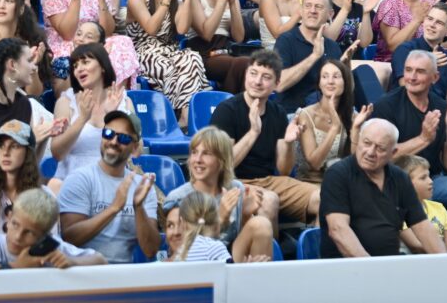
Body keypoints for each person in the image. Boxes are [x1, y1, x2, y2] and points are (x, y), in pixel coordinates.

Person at [373, 48, 447, 223]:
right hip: (395, 181)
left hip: (432, 179)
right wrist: (423, 139)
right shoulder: (386, 105)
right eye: (408, 70)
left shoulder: (441, 106)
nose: (412, 77)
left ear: (435, 77)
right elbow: (381, 157)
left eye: (420, 71)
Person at [209, 49, 320, 223]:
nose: (257, 81)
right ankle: (268, 243)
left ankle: (315, 241)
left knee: (324, 198)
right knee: (269, 200)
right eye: (253, 73)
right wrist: (253, 132)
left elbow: (284, 170)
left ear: (277, 84)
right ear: (246, 74)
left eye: (266, 77)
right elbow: (223, 166)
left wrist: (289, 143)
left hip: (269, 181)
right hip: (233, 182)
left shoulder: (278, 113)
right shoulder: (226, 110)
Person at [320, 118, 444, 257]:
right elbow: (338, 229)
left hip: (390, 262)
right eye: (367, 143)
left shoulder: (400, 178)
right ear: (358, 140)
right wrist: (371, 266)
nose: (370, 152)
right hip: (347, 265)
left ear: (393, 152)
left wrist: (445, 261)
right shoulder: (338, 174)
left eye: (380, 148)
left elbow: (422, 226)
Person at [58, 110, 160, 264]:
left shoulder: (142, 187)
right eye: (108, 133)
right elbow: (69, 238)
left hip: (124, 274)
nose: (113, 141)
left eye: (124, 138)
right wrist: (114, 208)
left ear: (134, 148)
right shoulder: (79, 178)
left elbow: (151, 250)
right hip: (83, 271)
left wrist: (139, 207)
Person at [165, 126, 274, 261]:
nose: (197, 159)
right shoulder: (177, 198)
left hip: (231, 260)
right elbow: (179, 250)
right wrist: (220, 219)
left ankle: (257, 273)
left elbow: (239, 240)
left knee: (261, 224)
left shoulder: (235, 189)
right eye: (194, 152)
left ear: (221, 160)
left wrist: (245, 216)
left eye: (206, 153)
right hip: (196, 263)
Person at [0, 36, 58, 184]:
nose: (34, 67)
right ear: (12, 65)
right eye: (29, 61)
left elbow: (29, 162)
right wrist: (26, 142)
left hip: (18, 183)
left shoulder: (24, 103)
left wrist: (44, 137)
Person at [126, 0, 207, 125]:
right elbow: (151, 29)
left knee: (192, 57)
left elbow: (182, 29)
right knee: (174, 68)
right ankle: (178, 117)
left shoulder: (177, 3)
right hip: (143, 53)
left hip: (169, 51)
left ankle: (184, 116)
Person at [49, 43, 136, 185]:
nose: (79, 69)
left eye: (85, 62)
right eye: (75, 66)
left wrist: (112, 117)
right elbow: (57, 153)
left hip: (112, 180)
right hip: (72, 181)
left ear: (102, 66)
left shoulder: (123, 100)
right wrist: (82, 119)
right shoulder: (65, 102)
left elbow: (136, 149)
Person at [0, 188, 105, 270]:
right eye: (15, 224)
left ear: (44, 236)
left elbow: (101, 260)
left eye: (29, 232)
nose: (18, 236)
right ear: (9, 218)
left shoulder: (50, 248)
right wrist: (13, 266)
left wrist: (71, 262)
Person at [274, 0, 343, 115]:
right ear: (301, 11)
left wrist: (346, 69)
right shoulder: (285, 41)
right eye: (308, 6)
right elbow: (279, 84)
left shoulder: (333, 46)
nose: (312, 11)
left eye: (319, 7)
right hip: (293, 114)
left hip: (326, 113)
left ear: (330, 14)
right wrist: (314, 56)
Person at [402, 155, 447, 253]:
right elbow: (416, 246)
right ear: (405, 183)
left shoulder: (438, 208)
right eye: (423, 178)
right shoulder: (398, 212)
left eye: (429, 176)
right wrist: (443, 256)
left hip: (441, 258)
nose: (431, 181)